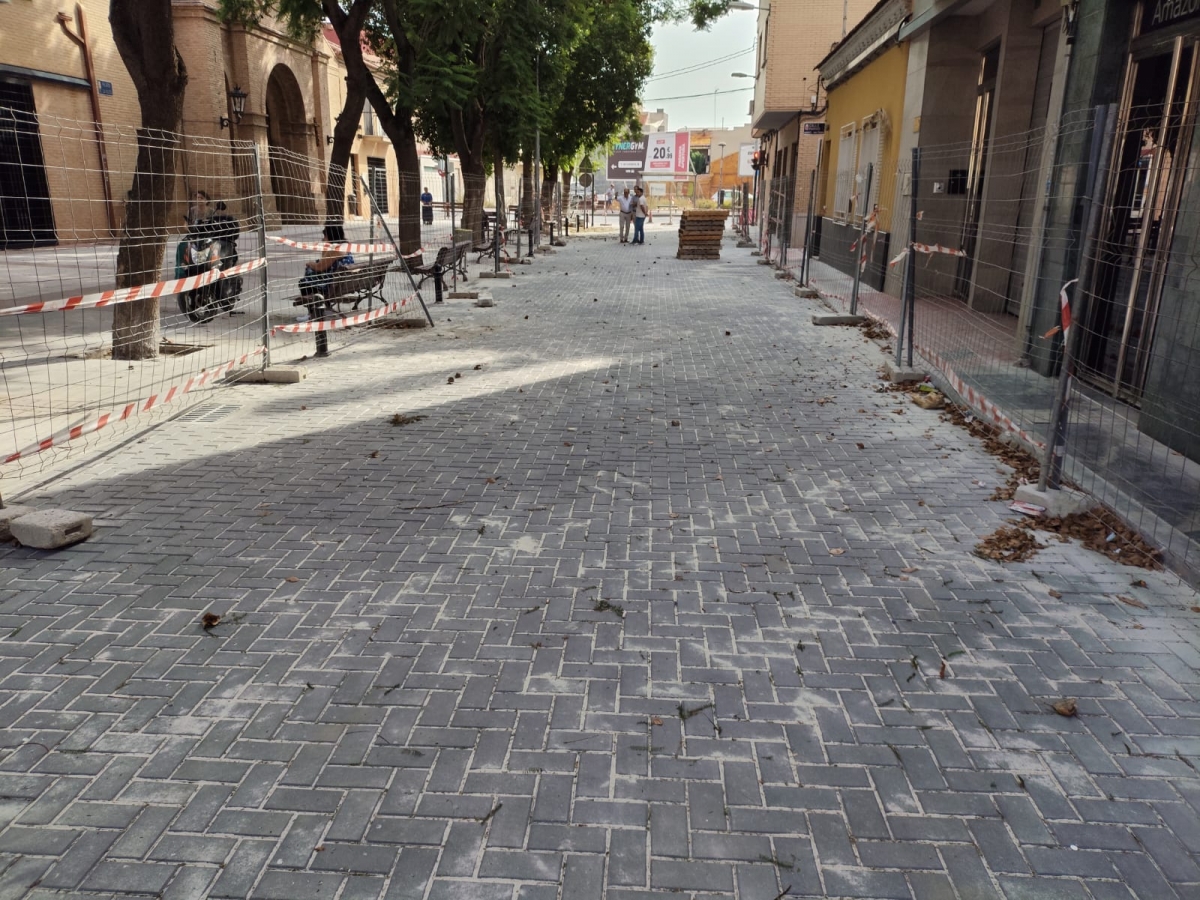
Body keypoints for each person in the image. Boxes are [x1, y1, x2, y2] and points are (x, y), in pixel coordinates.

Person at [299, 223, 355, 297]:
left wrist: (310, 264)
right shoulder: (345, 246)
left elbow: (320, 267)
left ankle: (315, 305)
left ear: (330, 236)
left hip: (331, 285)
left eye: (325, 235)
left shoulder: (335, 250)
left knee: (303, 282)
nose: (323, 238)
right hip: (343, 282)